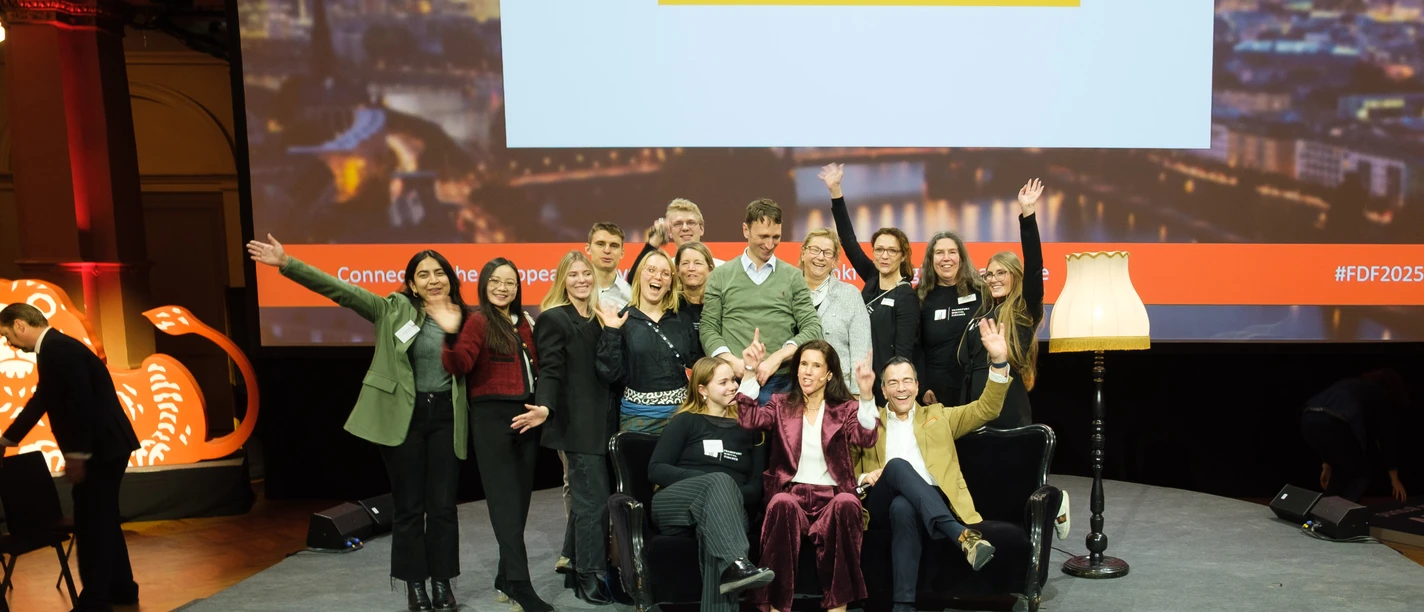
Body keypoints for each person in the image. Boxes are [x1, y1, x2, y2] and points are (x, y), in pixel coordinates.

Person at [246, 235, 467, 611]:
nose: (433, 279)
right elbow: (341, 290)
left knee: (444, 506)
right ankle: (415, 586)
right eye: (423, 274)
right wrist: (287, 263)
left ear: (450, 278)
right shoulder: (392, 310)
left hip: (446, 416)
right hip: (404, 419)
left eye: (440, 273)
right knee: (410, 507)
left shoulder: (465, 317)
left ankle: (443, 583)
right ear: (411, 283)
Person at [854, 323, 1067, 612]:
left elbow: (987, 408)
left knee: (903, 507)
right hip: (880, 501)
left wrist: (999, 361)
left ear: (917, 385)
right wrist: (866, 476)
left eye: (907, 381)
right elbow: (847, 469)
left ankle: (902, 606)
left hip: (929, 500)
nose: (901, 388)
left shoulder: (940, 416)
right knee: (897, 468)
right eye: (893, 383)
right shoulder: (870, 423)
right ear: (883, 389)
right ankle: (961, 536)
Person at [1, 304, 142, 612]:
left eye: (7, 335)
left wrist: (77, 454)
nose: (9, 343)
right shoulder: (55, 348)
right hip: (107, 446)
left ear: (21, 325)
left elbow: (81, 403)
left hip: (100, 449)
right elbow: (43, 399)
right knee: (102, 520)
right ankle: (122, 589)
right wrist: (7, 440)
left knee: (92, 524)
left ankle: (95, 602)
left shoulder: (57, 350)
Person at [737, 336, 879, 612]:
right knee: (781, 504)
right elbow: (748, 420)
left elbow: (866, 437)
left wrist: (865, 395)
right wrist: (751, 371)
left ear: (828, 374)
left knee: (848, 504)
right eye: (803, 364)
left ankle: (838, 608)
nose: (807, 371)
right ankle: (776, 607)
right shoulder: (780, 403)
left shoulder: (845, 408)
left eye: (815, 366)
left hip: (833, 496)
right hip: (792, 493)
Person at [442, 259, 553, 612]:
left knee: (518, 504)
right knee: (505, 504)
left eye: (510, 282)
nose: (503, 288)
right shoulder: (478, 320)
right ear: (484, 285)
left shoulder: (524, 322)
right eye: (496, 281)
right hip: (493, 418)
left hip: (527, 416)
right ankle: (520, 584)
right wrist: (448, 334)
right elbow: (459, 362)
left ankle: (506, 576)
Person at [648, 357, 776, 612]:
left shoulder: (751, 429)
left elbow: (756, 486)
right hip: (675, 504)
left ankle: (734, 567)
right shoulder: (686, 421)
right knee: (719, 485)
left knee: (716, 526)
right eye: (724, 382)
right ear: (702, 389)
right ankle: (737, 562)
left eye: (734, 380)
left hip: (729, 510)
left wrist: (724, 496)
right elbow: (656, 469)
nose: (733, 387)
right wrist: (713, 486)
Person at [533, 250, 620, 605]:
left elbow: (610, 371)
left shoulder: (603, 318)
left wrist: (612, 331)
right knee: (592, 503)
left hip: (605, 425)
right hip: (576, 426)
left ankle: (573, 561)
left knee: (591, 497)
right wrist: (544, 405)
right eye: (574, 275)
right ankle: (589, 572)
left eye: (586, 274)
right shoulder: (554, 319)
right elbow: (550, 369)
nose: (582, 280)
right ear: (562, 280)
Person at [701, 198, 823, 404]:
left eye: (776, 237)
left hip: (782, 383)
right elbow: (708, 328)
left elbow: (812, 327)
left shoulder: (793, 277)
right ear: (745, 230)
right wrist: (734, 362)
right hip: (732, 382)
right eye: (763, 236)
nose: (770, 244)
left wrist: (777, 358)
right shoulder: (721, 276)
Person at [820, 163, 920, 403]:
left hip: (885, 389)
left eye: (892, 251)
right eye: (879, 250)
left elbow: (904, 353)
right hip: (857, 382)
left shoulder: (906, 296)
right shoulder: (872, 279)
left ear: (903, 255)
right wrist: (836, 192)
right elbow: (849, 242)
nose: (884, 256)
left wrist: (892, 388)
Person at [959, 179, 1045, 429]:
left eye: (1001, 273)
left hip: (1006, 409)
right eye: (990, 274)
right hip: (973, 407)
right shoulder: (981, 313)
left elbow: (1035, 268)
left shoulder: (1023, 310)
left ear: (1015, 276)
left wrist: (1027, 215)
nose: (994, 279)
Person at [597, 249, 702, 433]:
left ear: (671, 284)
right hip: (639, 419)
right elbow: (609, 374)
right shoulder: (622, 321)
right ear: (639, 276)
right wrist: (612, 332)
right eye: (651, 270)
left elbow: (695, 367)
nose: (658, 277)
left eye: (664, 273)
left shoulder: (683, 320)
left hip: (682, 417)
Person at [1301, 370, 1408, 503]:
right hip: (1335, 421)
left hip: (1308, 417)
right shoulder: (1379, 393)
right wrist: (1394, 478)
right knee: (1361, 475)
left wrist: (1327, 462)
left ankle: (1325, 512)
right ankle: (1342, 514)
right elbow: (1386, 435)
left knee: (1341, 469)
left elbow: (1325, 420)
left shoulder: (1353, 386)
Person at [799, 228, 873, 396]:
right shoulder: (787, 290)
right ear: (803, 253)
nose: (820, 257)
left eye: (827, 253)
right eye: (814, 250)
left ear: (834, 260)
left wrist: (856, 392)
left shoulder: (850, 294)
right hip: (793, 390)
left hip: (840, 391)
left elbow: (861, 348)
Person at [915, 229, 984, 408]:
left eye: (952, 252)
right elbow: (914, 348)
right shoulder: (920, 297)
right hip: (935, 395)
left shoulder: (981, 293)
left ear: (961, 257)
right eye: (939, 253)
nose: (946, 258)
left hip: (975, 390)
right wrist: (922, 387)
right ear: (931, 260)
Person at [627, 198, 727, 277]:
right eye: (678, 224)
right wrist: (653, 243)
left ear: (702, 229)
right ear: (669, 231)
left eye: (691, 223)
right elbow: (633, 281)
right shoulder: (664, 268)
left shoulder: (722, 268)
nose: (685, 228)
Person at [587, 222, 632, 310]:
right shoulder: (575, 291)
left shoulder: (632, 295)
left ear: (622, 253)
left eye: (614, 246)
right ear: (588, 249)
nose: (607, 250)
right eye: (600, 244)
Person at [675, 241, 716, 331]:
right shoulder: (670, 304)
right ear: (677, 270)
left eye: (698, 263)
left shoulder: (718, 303)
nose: (691, 268)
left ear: (710, 269)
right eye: (685, 263)